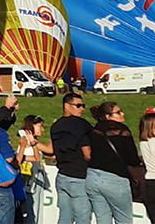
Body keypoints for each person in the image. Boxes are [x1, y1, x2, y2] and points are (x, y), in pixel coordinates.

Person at [86, 102, 140, 224]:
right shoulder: (122, 131)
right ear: (108, 116)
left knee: (102, 219)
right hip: (115, 178)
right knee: (124, 219)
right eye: (118, 112)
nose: (122, 114)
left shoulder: (94, 130)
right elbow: (132, 158)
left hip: (93, 176)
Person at [51, 93, 94, 224]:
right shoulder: (80, 125)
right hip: (79, 177)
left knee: (64, 217)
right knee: (83, 218)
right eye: (78, 105)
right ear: (67, 106)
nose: (82, 109)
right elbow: (88, 154)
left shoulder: (56, 126)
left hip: (62, 176)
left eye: (83, 106)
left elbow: (52, 150)